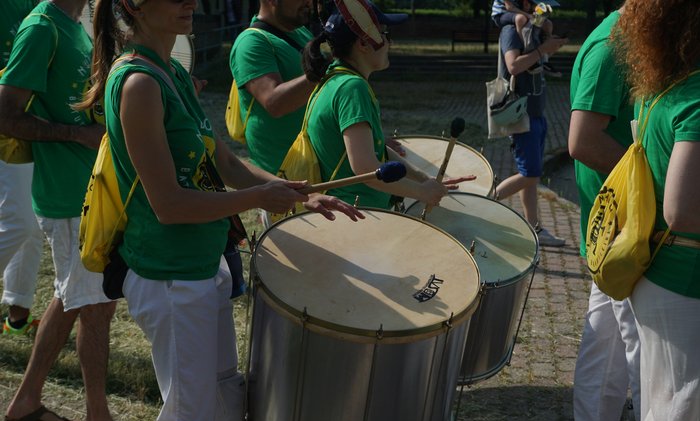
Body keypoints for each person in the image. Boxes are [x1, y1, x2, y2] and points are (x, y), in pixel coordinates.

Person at [80, 0, 363, 421]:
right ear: (136, 5)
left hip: (201, 265)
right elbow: (168, 205)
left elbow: (222, 160)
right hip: (169, 275)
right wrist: (257, 199)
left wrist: (296, 192)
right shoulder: (139, 84)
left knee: (222, 409)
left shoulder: (167, 69)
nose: (190, 2)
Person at [0, 0, 152, 421]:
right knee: (97, 305)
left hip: (87, 191)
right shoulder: (41, 28)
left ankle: (25, 402)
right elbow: (6, 114)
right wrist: (75, 135)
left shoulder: (77, 24)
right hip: (68, 198)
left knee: (72, 295)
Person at [610, 0, 700, 421]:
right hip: (685, 281)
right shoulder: (698, 96)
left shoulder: (661, 88)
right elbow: (682, 210)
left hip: (655, 270)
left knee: (662, 415)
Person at [302, 0, 475, 209]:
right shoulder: (352, 88)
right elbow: (366, 168)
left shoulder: (333, 79)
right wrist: (421, 192)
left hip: (351, 210)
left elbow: (373, 150)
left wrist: (423, 179)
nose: (389, 42)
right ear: (364, 44)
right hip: (356, 214)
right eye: (384, 34)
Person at [568, 4, 641, 421]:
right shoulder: (613, 44)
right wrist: (648, 188)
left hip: (618, 225)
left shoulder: (626, 36)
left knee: (609, 343)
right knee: (646, 353)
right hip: (625, 226)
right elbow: (581, 140)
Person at [491, 0, 567, 246]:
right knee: (531, 173)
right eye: (538, 5)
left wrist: (546, 35)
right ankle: (483, 203)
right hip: (519, 112)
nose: (540, 10)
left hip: (537, 110)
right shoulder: (510, 30)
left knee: (531, 174)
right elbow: (513, 66)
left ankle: (534, 228)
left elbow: (543, 55)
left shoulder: (530, 28)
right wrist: (542, 49)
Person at [229, 0, 318, 175]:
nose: (309, 3)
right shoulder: (251, 42)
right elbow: (274, 103)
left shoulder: (300, 33)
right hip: (282, 174)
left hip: (313, 165)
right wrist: (320, 73)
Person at [0, 0, 43, 336]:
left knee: (32, 224)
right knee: (19, 221)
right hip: (8, 118)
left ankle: (17, 314)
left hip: (32, 120)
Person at [491, 0, 561, 77]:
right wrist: (528, 15)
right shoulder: (510, 30)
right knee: (521, 19)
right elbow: (510, 7)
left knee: (548, 24)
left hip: (520, 11)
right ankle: (526, 49)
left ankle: (545, 60)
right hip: (502, 13)